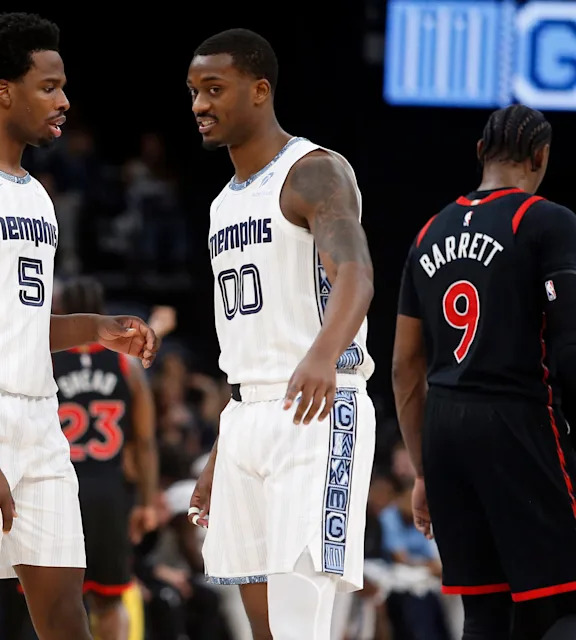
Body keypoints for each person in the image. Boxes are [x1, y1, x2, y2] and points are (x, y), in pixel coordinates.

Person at [0, 12, 159, 640]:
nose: (64, 101)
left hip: (37, 414)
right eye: (49, 86)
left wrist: (94, 327)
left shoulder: (37, 195)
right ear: (3, 91)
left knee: (67, 611)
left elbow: (13, 323)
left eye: (63, 86)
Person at [184, 29, 377, 640]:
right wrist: (221, 452)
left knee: (300, 626)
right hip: (246, 418)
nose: (200, 104)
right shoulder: (222, 204)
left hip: (317, 407)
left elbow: (356, 274)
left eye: (214, 89)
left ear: (260, 90)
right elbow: (252, 342)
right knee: (263, 630)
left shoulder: (312, 171)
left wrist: (323, 354)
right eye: (194, 91)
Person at [393, 104, 576, 640]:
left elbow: (404, 366)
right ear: (541, 157)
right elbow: (569, 350)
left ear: (479, 152)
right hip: (517, 420)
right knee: (562, 604)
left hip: (445, 431)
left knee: (484, 614)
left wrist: (423, 470)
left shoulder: (429, 231)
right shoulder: (546, 220)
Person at [52, 276, 159, 640]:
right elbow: (144, 442)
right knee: (109, 602)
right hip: (109, 492)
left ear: (62, 310)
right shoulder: (125, 364)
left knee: (51, 602)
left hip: (59, 489)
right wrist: (146, 501)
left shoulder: (46, 360)